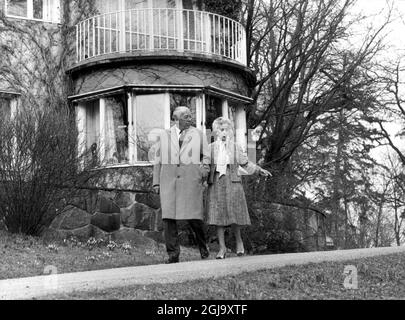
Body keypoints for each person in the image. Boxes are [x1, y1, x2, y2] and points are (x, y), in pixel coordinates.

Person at [207, 117, 271, 259]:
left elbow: (246, 163)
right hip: (216, 182)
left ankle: (239, 242)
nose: (223, 133)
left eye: (226, 130)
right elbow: (204, 166)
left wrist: (260, 170)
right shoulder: (210, 148)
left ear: (230, 131)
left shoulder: (235, 146)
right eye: (220, 130)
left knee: (234, 212)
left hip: (233, 180)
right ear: (215, 132)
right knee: (218, 215)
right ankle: (222, 248)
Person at [152, 107, 210, 264]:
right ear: (176, 119)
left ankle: (203, 248)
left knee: (194, 218)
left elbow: (206, 156)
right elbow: (157, 160)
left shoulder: (199, 134)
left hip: (191, 180)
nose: (190, 118)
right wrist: (156, 182)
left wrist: (203, 171)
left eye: (191, 116)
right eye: (186, 116)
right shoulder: (164, 136)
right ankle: (173, 254)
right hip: (168, 181)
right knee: (168, 219)